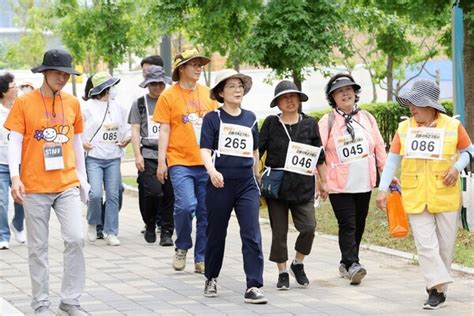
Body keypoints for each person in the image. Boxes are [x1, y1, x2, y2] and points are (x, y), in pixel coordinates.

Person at [4, 48, 89, 315]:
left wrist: (83, 180)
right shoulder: (24, 102)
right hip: (34, 186)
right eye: (57, 73)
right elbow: (14, 142)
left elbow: (76, 143)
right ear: (44, 73)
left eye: (66, 74)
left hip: (66, 183)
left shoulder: (73, 103)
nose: (62, 78)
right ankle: (41, 303)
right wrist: (15, 176)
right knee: (37, 248)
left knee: (76, 238)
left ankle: (70, 300)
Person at [376, 79, 473, 310]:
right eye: (411, 103)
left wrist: (456, 167)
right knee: (425, 245)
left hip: (445, 195)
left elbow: (469, 151)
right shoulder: (404, 128)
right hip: (415, 194)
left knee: (445, 246)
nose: (412, 108)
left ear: (431, 106)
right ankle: (435, 289)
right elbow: (392, 161)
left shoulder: (452, 126)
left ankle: (439, 289)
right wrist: (382, 189)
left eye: (416, 103)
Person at [200, 69, 267, 303]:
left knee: (252, 233)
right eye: (231, 86)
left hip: (246, 184)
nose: (238, 90)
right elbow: (205, 150)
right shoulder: (213, 119)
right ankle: (211, 277)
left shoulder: (251, 118)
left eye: (240, 85)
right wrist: (212, 171)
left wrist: (256, 177)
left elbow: (255, 150)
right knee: (216, 233)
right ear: (221, 92)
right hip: (220, 183)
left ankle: (253, 285)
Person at [153, 48, 218, 274]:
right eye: (194, 65)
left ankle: (201, 257)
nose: (199, 69)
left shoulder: (209, 94)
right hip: (180, 161)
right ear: (182, 68)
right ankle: (182, 246)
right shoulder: (168, 95)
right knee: (185, 206)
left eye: (201, 65)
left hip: (205, 163)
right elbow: (163, 129)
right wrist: (162, 162)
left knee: (205, 212)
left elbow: (217, 127)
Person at [259, 80, 328, 291]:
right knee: (279, 232)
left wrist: (324, 181)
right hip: (277, 187)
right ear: (278, 103)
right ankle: (282, 271)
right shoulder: (271, 123)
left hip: (303, 185)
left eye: (293, 97)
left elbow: (319, 155)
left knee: (309, 227)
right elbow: (257, 150)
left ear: (299, 100)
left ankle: (298, 263)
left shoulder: (309, 123)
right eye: (284, 98)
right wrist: (254, 174)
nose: (290, 101)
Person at [318, 73, 386, 285]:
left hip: (364, 181)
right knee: (347, 224)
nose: (345, 93)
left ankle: (346, 263)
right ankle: (353, 263)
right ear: (333, 97)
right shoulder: (327, 121)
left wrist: (387, 176)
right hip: (339, 184)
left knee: (359, 224)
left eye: (349, 89)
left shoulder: (366, 118)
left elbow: (379, 147)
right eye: (340, 91)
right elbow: (318, 153)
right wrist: (320, 182)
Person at [82, 72, 130, 246]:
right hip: (94, 157)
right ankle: (93, 222)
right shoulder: (87, 107)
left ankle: (111, 231)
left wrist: (126, 139)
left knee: (113, 194)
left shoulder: (119, 107)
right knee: (94, 194)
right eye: (110, 86)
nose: (112, 90)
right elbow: (78, 130)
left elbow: (127, 127)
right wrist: (83, 142)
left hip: (113, 157)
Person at [128, 65, 174, 246]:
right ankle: (149, 222)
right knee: (153, 192)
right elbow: (135, 130)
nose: (157, 88)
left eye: (160, 84)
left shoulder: (170, 100)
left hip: (171, 154)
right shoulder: (139, 104)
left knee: (169, 193)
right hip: (148, 153)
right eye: (153, 84)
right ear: (147, 85)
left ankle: (167, 231)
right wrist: (137, 155)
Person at [0, 72, 25, 250]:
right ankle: (3, 234)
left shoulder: (21, 107)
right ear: (3, 92)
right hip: (1, 163)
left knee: (22, 198)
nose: (16, 89)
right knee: (2, 201)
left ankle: (18, 223)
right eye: (13, 86)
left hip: (19, 163)